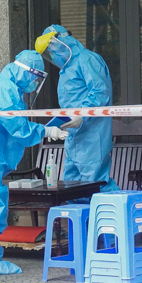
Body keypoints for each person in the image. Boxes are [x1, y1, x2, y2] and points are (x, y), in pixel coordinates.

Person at [0, 50, 69, 275]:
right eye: (35, 77)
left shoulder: (6, 86)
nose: (35, 83)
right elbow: (19, 129)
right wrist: (46, 130)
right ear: (25, 72)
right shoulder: (5, 92)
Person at [35, 25, 118, 194]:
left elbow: (100, 92)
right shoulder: (66, 69)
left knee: (95, 184)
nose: (51, 54)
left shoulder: (87, 59)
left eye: (51, 47)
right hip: (74, 136)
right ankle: (78, 221)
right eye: (47, 52)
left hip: (93, 135)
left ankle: (110, 218)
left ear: (62, 40)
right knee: (71, 186)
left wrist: (82, 115)